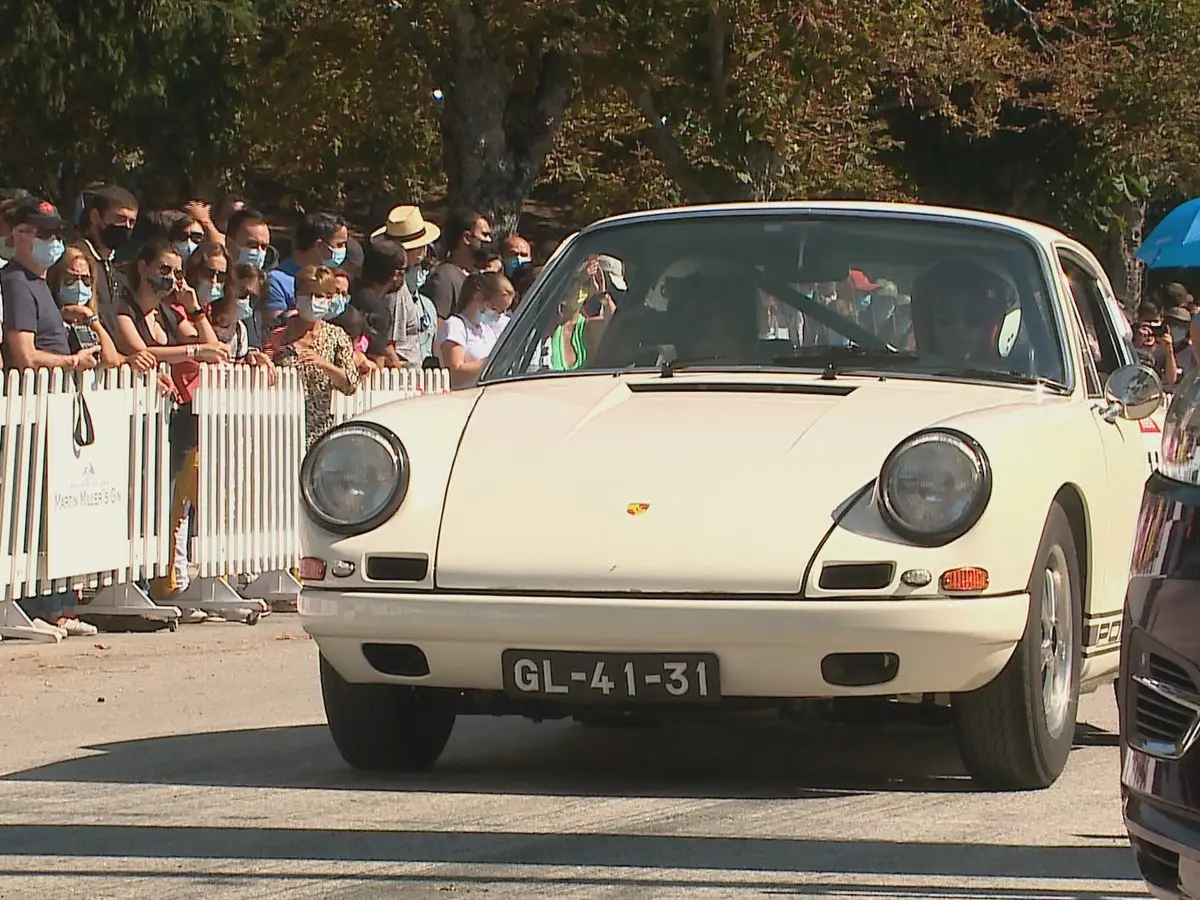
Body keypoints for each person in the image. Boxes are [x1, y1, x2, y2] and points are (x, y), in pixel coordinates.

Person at [1, 198, 101, 372]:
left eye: (58, 232)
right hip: (34, 394)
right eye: (44, 233)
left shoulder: (36, 281)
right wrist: (73, 361)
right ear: (19, 234)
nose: (54, 239)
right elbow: (25, 357)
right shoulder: (17, 282)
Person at [266, 265, 359, 448]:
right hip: (281, 429)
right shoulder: (279, 335)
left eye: (320, 296)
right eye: (308, 294)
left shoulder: (337, 336)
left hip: (320, 431)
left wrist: (324, 364)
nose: (313, 300)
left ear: (330, 299)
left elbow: (350, 383)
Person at [910, 260, 1011, 365]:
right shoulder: (904, 379)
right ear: (929, 325)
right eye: (945, 316)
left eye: (972, 317)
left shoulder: (1009, 380)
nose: (958, 327)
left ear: (987, 327)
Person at [78, 185, 139, 336]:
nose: (126, 227)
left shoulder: (109, 266)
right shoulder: (79, 259)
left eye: (131, 223)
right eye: (119, 219)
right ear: (95, 217)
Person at [434, 271, 514, 387]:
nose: (499, 315)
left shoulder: (487, 330)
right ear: (478, 297)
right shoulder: (455, 326)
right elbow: (454, 373)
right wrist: (490, 363)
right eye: (495, 308)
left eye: (503, 311)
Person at [267, 212, 349, 319]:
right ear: (319, 245)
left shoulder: (332, 277)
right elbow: (275, 326)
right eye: (339, 244)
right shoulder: (276, 281)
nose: (343, 250)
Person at [422, 208, 491, 321]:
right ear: (467, 237)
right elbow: (438, 326)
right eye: (484, 235)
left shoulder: (476, 276)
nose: (489, 240)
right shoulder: (444, 278)